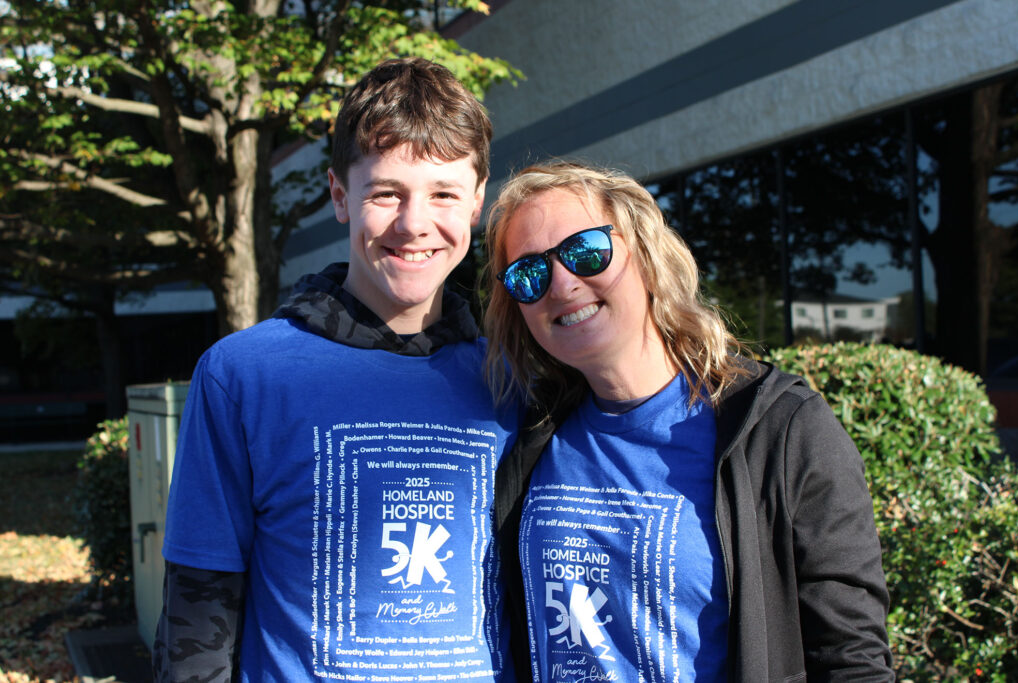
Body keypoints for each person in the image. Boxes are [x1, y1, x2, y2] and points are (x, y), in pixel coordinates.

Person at [153, 57, 521, 682]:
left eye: (443, 194)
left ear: (478, 204)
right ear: (339, 196)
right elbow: (200, 600)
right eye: (386, 193)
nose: (414, 223)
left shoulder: (516, 375)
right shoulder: (243, 375)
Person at [484, 161, 894, 682]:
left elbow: (850, 658)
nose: (562, 284)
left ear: (646, 256)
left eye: (586, 251)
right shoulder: (530, 435)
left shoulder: (781, 429)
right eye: (530, 273)